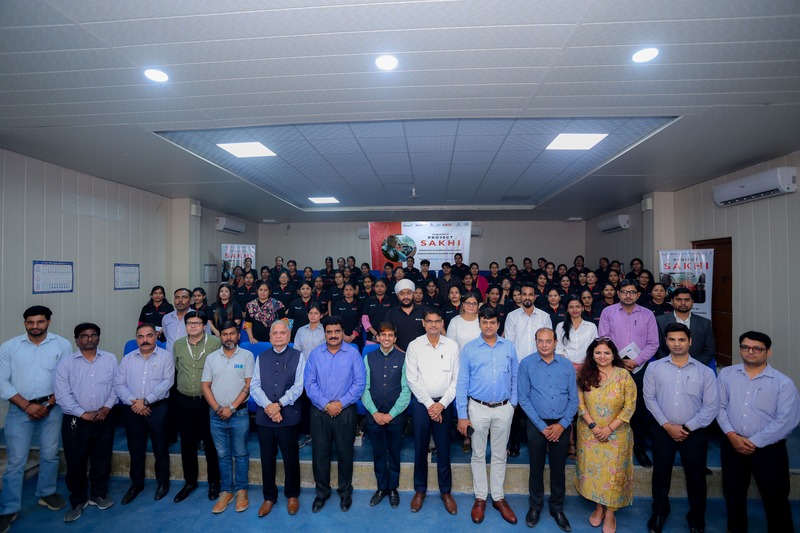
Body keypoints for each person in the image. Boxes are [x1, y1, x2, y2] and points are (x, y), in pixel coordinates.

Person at [717, 331, 800, 533]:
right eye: (745, 347)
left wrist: (754, 441)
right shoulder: (726, 374)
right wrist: (732, 435)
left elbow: (786, 421)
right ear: (740, 349)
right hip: (732, 445)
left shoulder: (783, 383)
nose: (750, 352)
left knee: (775, 498)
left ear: (768, 352)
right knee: (733, 495)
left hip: (769, 450)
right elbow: (719, 407)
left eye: (757, 348)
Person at [0, 306, 71, 530]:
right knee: (16, 461)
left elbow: (65, 378)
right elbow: (2, 381)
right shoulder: (10, 347)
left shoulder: (62, 345)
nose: (35, 326)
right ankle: (9, 508)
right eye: (30, 322)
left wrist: (48, 405)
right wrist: (27, 406)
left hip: (52, 408)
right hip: (19, 409)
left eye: (40, 322)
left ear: (48, 322)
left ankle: (46, 493)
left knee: (50, 454)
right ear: (25, 323)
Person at [643, 323, 719, 533]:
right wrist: (668, 426)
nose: (677, 344)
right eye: (672, 340)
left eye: (681, 340)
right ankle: (660, 512)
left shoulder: (705, 372)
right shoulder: (654, 368)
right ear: (666, 342)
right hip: (663, 430)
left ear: (690, 342)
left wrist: (686, 427)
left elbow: (711, 406)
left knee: (696, 478)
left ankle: (696, 517)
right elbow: (649, 399)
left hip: (694, 433)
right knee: (661, 475)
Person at [456, 306, 519, 525]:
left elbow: (515, 377)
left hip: (504, 408)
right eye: (485, 322)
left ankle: (498, 498)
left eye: (492, 322)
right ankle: (481, 498)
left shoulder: (509, 347)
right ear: (480, 323)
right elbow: (462, 383)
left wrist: (512, 404)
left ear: (498, 324)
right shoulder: (469, 349)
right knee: (478, 454)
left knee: (500, 454)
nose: (489, 326)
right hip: (477, 408)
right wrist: (462, 415)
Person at [53, 323, 118, 522]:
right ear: (76, 340)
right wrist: (83, 414)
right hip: (75, 420)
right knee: (75, 461)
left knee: (102, 458)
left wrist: (106, 407)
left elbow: (116, 386)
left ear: (98, 337)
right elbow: (62, 394)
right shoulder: (66, 363)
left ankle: (98, 494)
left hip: (104, 417)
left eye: (93, 335)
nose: (89, 339)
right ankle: (78, 500)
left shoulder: (110, 359)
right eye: (84, 336)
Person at [303, 316, 366, 513]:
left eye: (337, 331)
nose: (333, 335)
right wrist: (326, 404)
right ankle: (322, 493)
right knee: (320, 454)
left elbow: (359, 383)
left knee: (345, 453)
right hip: (319, 411)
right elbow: (309, 383)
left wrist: (341, 403)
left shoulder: (353, 353)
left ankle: (345, 492)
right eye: (329, 332)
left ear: (342, 332)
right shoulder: (315, 354)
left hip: (345, 411)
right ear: (324, 333)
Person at [518, 328, 578, 532]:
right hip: (537, 424)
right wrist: (543, 427)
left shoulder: (566, 365)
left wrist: (562, 424)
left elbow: (574, 398)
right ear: (535, 342)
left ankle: (557, 508)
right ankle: (535, 506)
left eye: (548, 341)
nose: (544, 345)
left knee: (558, 468)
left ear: (555, 342)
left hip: (561, 424)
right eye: (540, 341)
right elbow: (523, 398)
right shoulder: (526, 364)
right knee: (536, 467)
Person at [575, 338, 637, 533]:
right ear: (592, 355)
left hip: (617, 435)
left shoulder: (623, 375)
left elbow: (629, 407)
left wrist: (609, 428)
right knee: (595, 473)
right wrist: (594, 427)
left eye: (606, 353)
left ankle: (610, 512)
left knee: (614, 474)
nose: (602, 356)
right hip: (589, 433)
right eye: (598, 353)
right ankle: (599, 507)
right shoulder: (585, 375)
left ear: (613, 355)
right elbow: (580, 404)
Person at [598, 279, 659, 468]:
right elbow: (603, 339)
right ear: (618, 293)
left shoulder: (648, 314)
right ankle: (613, 446)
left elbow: (653, 343)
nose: (628, 295)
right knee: (613, 407)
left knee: (638, 410)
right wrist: (619, 361)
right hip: (614, 368)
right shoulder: (608, 312)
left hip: (639, 369)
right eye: (624, 291)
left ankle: (638, 448)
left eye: (632, 292)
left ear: (638, 295)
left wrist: (636, 361)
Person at [405, 307, 460, 516]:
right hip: (422, 405)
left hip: (444, 404)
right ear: (423, 323)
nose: (433, 325)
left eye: (437, 321)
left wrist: (441, 405)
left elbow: (456, 380)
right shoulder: (415, 346)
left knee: (444, 449)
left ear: (442, 323)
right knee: (420, 448)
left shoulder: (452, 346)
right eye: (429, 321)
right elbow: (412, 379)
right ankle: (420, 491)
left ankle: (446, 492)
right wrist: (430, 404)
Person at [114, 323, 174, 505]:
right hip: (133, 408)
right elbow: (119, 384)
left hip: (158, 409)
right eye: (140, 336)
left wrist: (146, 401)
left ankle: (163, 482)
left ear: (156, 336)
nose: (145, 340)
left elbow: (167, 382)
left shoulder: (166, 356)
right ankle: (136, 484)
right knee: (135, 449)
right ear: (136, 339)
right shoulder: (128, 359)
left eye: (149, 335)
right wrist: (135, 401)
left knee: (160, 448)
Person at [251, 321, 306, 518]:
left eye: (283, 333)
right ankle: (269, 497)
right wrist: (269, 406)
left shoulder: (298, 356)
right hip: (265, 417)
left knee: (291, 458)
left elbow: (299, 386)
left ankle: (292, 495)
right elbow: (254, 386)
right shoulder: (261, 357)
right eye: (275, 333)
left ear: (289, 336)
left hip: (288, 416)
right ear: (270, 336)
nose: (279, 336)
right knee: (267, 458)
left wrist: (279, 405)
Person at [202, 322, 254, 514]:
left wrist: (231, 408)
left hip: (239, 413)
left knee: (240, 454)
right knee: (222, 455)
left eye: (232, 333)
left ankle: (241, 490)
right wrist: (217, 408)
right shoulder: (212, 358)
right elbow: (205, 386)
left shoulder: (247, 356)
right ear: (220, 336)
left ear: (238, 335)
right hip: (216, 415)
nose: (229, 337)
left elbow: (248, 385)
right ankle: (226, 491)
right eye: (225, 334)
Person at [172, 310, 222, 503]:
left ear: (204, 325)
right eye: (189, 323)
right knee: (187, 443)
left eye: (197, 323)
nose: (193, 326)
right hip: (184, 399)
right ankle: (190, 482)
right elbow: (178, 369)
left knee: (210, 442)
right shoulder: (178, 345)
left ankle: (214, 482)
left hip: (208, 400)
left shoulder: (214, 343)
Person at [361, 323, 410, 509]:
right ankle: (381, 488)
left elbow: (406, 390)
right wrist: (374, 412)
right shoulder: (369, 357)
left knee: (394, 453)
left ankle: (393, 489)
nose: (387, 338)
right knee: (379, 452)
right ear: (378, 337)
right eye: (383, 335)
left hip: (396, 417)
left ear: (395, 338)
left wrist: (391, 414)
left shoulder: (404, 358)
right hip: (374, 416)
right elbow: (364, 388)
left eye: (390, 335)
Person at [503, 282, 552, 457]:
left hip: (541, 369)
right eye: (524, 294)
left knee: (541, 407)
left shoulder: (544, 317)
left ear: (535, 296)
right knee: (516, 409)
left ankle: (542, 442)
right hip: (518, 370)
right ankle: (514, 444)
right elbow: (510, 344)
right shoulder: (512, 316)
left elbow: (548, 343)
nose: (527, 297)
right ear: (520, 296)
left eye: (530, 294)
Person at [656, 288, 716, 369]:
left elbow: (709, 349)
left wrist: (694, 365)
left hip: (696, 368)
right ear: (672, 301)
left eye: (687, 300)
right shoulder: (660, 321)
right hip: (667, 367)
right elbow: (657, 347)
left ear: (692, 301)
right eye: (679, 300)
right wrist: (670, 364)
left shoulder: (705, 323)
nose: (683, 303)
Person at [383, 279, 426, 352]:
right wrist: (401, 352)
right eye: (402, 294)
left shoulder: (424, 311)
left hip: (422, 353)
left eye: (409, 293)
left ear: (413, 293)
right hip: (397, 354)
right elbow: (387, 336)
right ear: (397, 295)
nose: (405, 296)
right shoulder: (391, 313)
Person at [162, 288, 194, 353]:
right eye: (177, 297)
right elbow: (166, 335)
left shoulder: (197, 317)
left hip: (190, 356)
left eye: (184, 297)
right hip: (170, 356)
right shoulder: (167, 318)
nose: (180, 300)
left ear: (190, 300)